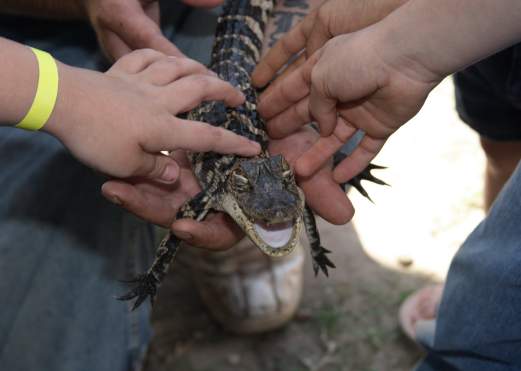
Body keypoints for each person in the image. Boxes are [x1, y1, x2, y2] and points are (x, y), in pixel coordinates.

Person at [0, 1, 352, 370]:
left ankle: (245, 239)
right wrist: (64, 97)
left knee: (331, 101)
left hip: (220, 35)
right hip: (26, 38)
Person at [253, 0, 521, 369]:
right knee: (499, 141)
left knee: (483, 330)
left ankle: (484, 305)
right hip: (482, 29)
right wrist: (413, 32)